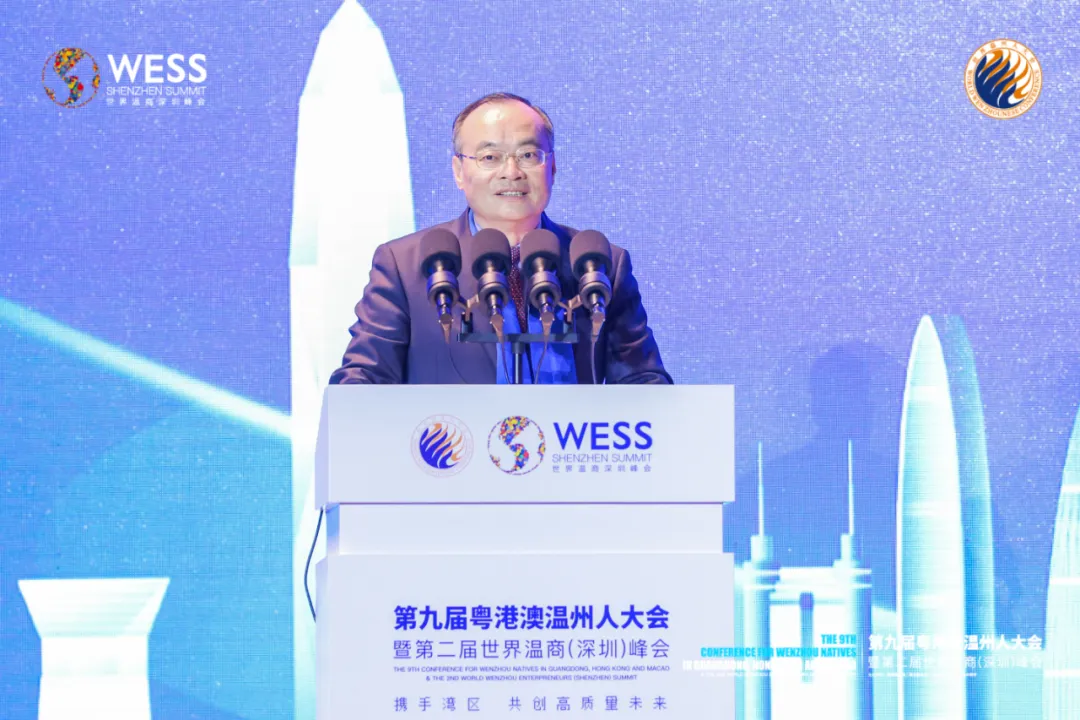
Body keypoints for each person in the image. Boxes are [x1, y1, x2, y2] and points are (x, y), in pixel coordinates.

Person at [329, 92, 672, 385]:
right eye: (490, 157)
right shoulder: (405, 265)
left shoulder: (598, 263)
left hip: (571, 444)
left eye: (528, 155)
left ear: (552, 168)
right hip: (451, 444)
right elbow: (363, 379)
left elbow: (645, 383)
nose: (512, 172)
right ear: (459, 171)